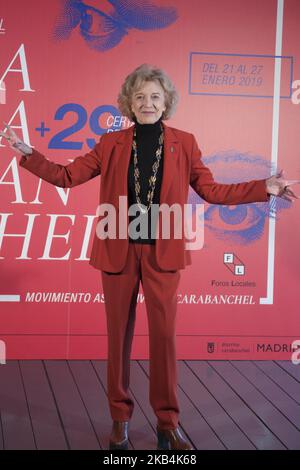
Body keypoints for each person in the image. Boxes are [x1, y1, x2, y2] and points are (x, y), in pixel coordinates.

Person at [1, 63, 299, 451]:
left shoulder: (184, 142)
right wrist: (27, 153)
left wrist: (266, 187)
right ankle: (119, 419)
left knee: (164, 339)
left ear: (166, 102)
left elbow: (211, 191)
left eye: (155, 96)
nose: (147, 102)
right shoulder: (110, 144)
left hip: (164, 249)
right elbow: (67, 177)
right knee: (117, 338)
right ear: (128, 102)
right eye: (140, 96)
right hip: (118, 247)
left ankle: (167, 423)